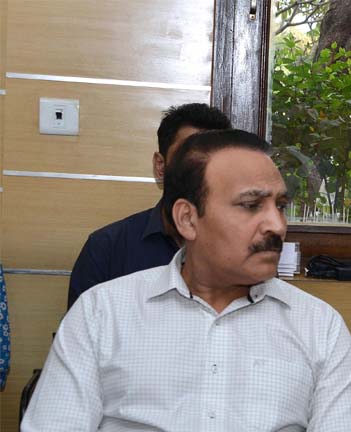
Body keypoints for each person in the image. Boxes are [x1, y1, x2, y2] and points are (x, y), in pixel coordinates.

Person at [14, 129, 351, 432]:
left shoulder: (319, 326)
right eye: (251, 205)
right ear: (188, 219)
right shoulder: (102, 313)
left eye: (281, 205)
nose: (276, 225)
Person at [66, 103, 231, 308]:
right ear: (160, 166)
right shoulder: (107, 248)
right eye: (188, 157)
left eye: (215, 161)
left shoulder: (245, 250)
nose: (201, 172)